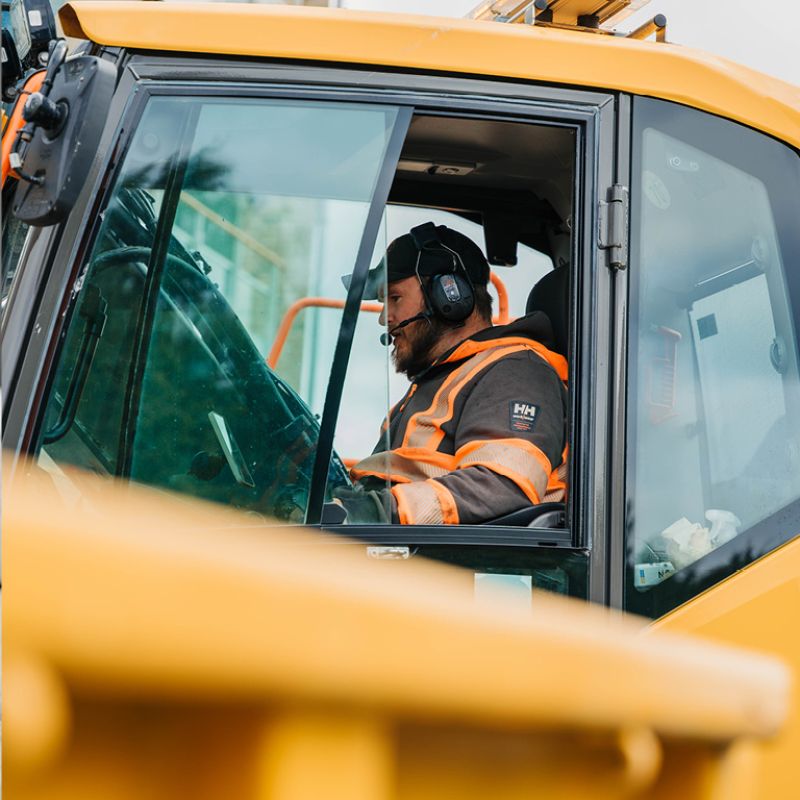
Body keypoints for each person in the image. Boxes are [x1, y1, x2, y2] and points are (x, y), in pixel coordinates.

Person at [332, 222, 567, 526]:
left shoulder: (515, 372)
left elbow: (500, 486)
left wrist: (374, 512)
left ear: (450, 296)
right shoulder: (448, 376)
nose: (383, 318)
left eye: (394, 298)